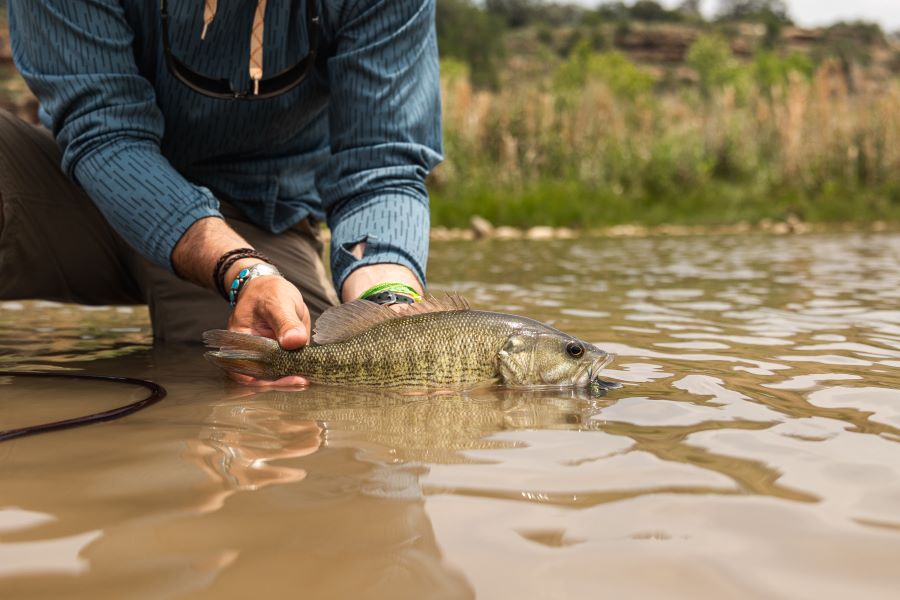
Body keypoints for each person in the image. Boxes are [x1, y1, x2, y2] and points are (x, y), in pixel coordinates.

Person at [0, 0, 441, 384]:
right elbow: (102, 131)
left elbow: (380, 166)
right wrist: (238, 269)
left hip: (253, 221)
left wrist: (388, 305)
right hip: (79, 192)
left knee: (297, 390)